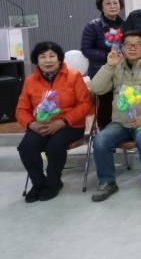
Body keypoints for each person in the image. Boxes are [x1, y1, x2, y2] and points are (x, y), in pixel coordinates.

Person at [88, 30, 141, 202]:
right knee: (100, 140)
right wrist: (109, 66)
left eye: (137, 44)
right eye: (128, 44)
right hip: (121, 122)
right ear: (122, 47)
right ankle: (107, 182)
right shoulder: (116, 67)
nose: (132, 48)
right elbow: (96, 89)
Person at [16, 41, 93, 202]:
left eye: (52, 56)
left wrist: (63, 121)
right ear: (36, 60)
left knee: (54, 145)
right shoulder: (30, 81)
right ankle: (38, 183)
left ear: (59, 59)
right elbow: (21, 110)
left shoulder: (73, 76)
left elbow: (85, 104)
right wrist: (31, 124)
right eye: (42, 56)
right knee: (26, 146)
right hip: (40, 125)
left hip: (70, 125)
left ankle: (53, 183)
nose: (48, 60)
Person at [81, 0, 125, 128]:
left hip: (123, 69)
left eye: (115, 3)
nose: (112, 6)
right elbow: (86, 49)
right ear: (101, 6)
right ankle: (105, 133)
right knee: (106, 103)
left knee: (123, 100)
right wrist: (107, 57)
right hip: (101, 70)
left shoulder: (126, 24)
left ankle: (122, 130)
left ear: (120, 5)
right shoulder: (93, 26)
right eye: (108, 3)